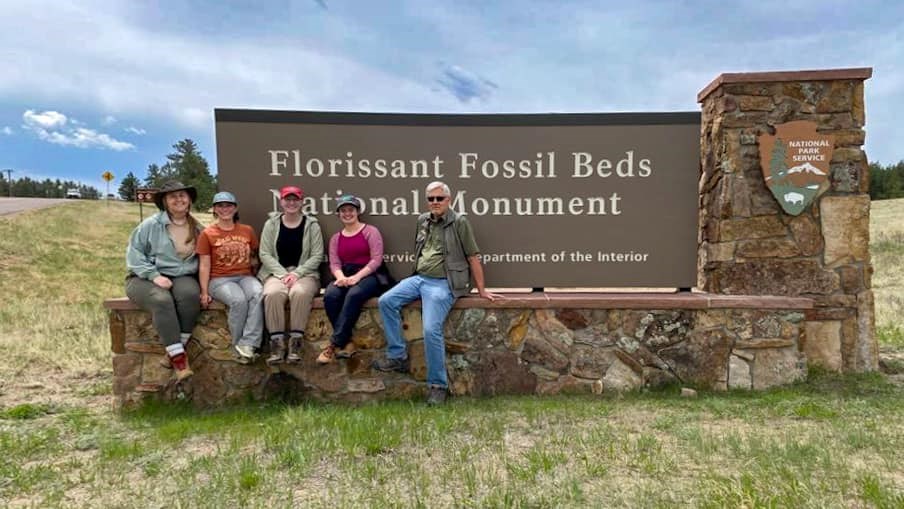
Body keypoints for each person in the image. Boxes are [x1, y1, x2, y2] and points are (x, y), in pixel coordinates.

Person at [373, 181, 502, 405]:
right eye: (431, 199)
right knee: (386, 301)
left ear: (449, 200)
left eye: (439, 198)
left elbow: (473, 256)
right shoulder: (422, 220)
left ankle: (437, 386)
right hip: (419, 279)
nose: (435, 202)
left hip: (444, 283)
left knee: (431, 329)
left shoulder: (460, 222)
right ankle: (398, 356)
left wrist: (481, 290)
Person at [125, 180, 203, 381]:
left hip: (181, 276)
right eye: (173, 196)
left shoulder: (197, 228)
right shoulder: (151, 225)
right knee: (161, 300)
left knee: (190, 296)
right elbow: (134, 255)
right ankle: (180, 362)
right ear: (165, 202)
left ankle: (175, 351)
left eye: (182, 195)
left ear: (189, 200)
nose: (179, 199)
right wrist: (154, 276)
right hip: (144, 278)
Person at [317, 194, 388, 364]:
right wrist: (340, 277)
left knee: (354, 295)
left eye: (351, 210)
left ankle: (333, 345)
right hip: (345, 275)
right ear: (339, 214)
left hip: (370, 275)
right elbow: (334, 263)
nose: (347, 213)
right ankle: (347, 343)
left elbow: (376, 259)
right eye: (343, 210)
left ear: (357, 212)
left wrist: (357, 277)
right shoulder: (336, 238)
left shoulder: (370, 231)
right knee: (331, 295)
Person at [258, 185, 324, 365]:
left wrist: (297, 273)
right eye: (288, 199)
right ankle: (277, 346)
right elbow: (264, 253)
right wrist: (282, 274)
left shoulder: (312, 225)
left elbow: (317, 255)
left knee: (300, 293)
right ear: (281, 202)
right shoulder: (271, 224)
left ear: (302, 202)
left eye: (296, 199)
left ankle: (295, 344)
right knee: (272, 294)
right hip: (276, 273)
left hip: (305, 273)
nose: (292, 203)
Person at [197, 191, 264, 364]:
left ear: (235, 208)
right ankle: (237, 346)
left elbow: (254, 256)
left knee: (258, 293)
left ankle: (248, 343)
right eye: (220, 205)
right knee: (238, 300)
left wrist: (256, 275)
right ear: (214, 209)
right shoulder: (207, 234)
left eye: (228, 205)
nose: (224, 209)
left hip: (245, 276)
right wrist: (204, 291)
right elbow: (204, 264)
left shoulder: (247, 230)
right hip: (219, 280)